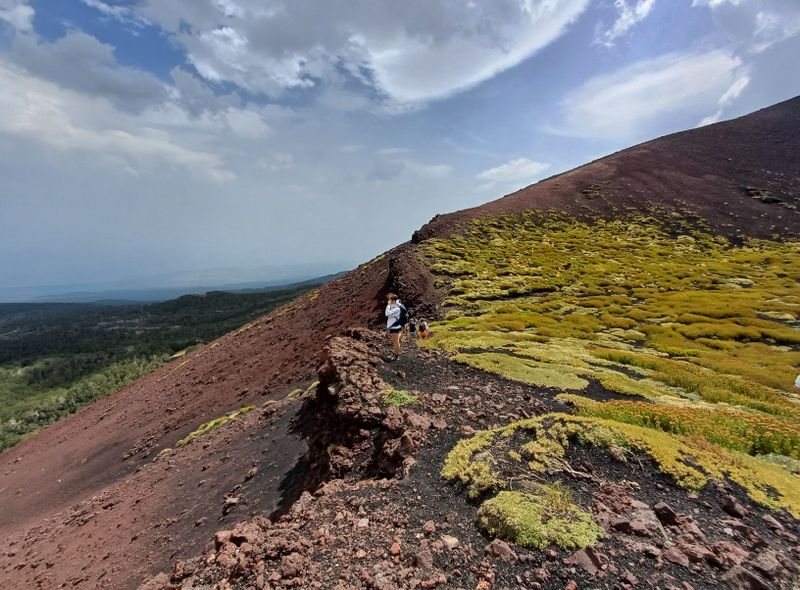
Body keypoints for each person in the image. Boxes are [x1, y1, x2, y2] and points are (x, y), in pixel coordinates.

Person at [385, 293, 405, 360]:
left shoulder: (397, 309)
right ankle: (395, 353)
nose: (389, 301)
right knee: (394, 341)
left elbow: (387, 313)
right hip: (394, 326)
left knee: (396, 341)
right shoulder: (395, 307)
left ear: (393, 300)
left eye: (390, 299)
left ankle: (396, 355)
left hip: (395, 327)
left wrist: (388, 306)